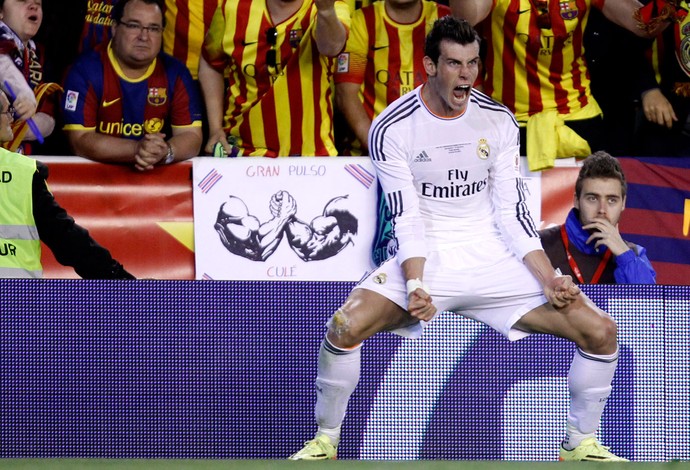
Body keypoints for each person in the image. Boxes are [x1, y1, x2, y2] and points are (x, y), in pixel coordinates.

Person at [289, 17, 627, 462]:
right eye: (453, 63)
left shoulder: (498, 119)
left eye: (472, 63)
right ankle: (326, 440)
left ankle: (579, 442)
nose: (466, 74)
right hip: (427, 256)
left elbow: (513, 213)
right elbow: (405, 216)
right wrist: (415, 284)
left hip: (493, 255)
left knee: (601, 332)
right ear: (429, 65)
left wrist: (548, 278)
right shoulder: (393, 127)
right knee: (344, 327)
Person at [449, 0, 669, 171]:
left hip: (578, 117)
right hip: (509, 120)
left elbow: (644, 24)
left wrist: (675, 3)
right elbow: (464, 18)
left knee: (584, 214)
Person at [0, 90, 134, 279]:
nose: (11, 119)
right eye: (6, 112)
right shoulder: (22, 172)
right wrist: (122, 281)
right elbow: (67, 239)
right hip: (16, 298)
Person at [61, 0, 203, 171]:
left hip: (155, 180)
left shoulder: (176, 72)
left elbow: (192, 136)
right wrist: (136, 149)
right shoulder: (84, 71)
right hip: (95, 181)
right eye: (134, 26)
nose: (144, 36)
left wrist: (166, 152)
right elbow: (79, 141)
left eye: (153, 29)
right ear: (114, 28)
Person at [197, 0, 350, 157]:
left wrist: (325, 11)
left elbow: (332, 47)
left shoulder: (333, 7)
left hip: (310, 158)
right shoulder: (231, 7)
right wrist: (215, 128)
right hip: (241, 152)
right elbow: (210, 63)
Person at [539, 152, 656, 284]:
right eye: (593, 198)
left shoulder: (634, 254)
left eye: (611, 200)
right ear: (576, 200)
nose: (602, 210)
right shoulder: (538, 244)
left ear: (623, 203)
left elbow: (649, 303)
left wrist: (625, 256)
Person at [0, 0, 61, 155]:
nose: (34, 5)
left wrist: (21, 129)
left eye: (39, 3)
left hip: (21, 164)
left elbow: (48, 118)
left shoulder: (40, 54)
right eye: (22, 0)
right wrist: (23, 93)